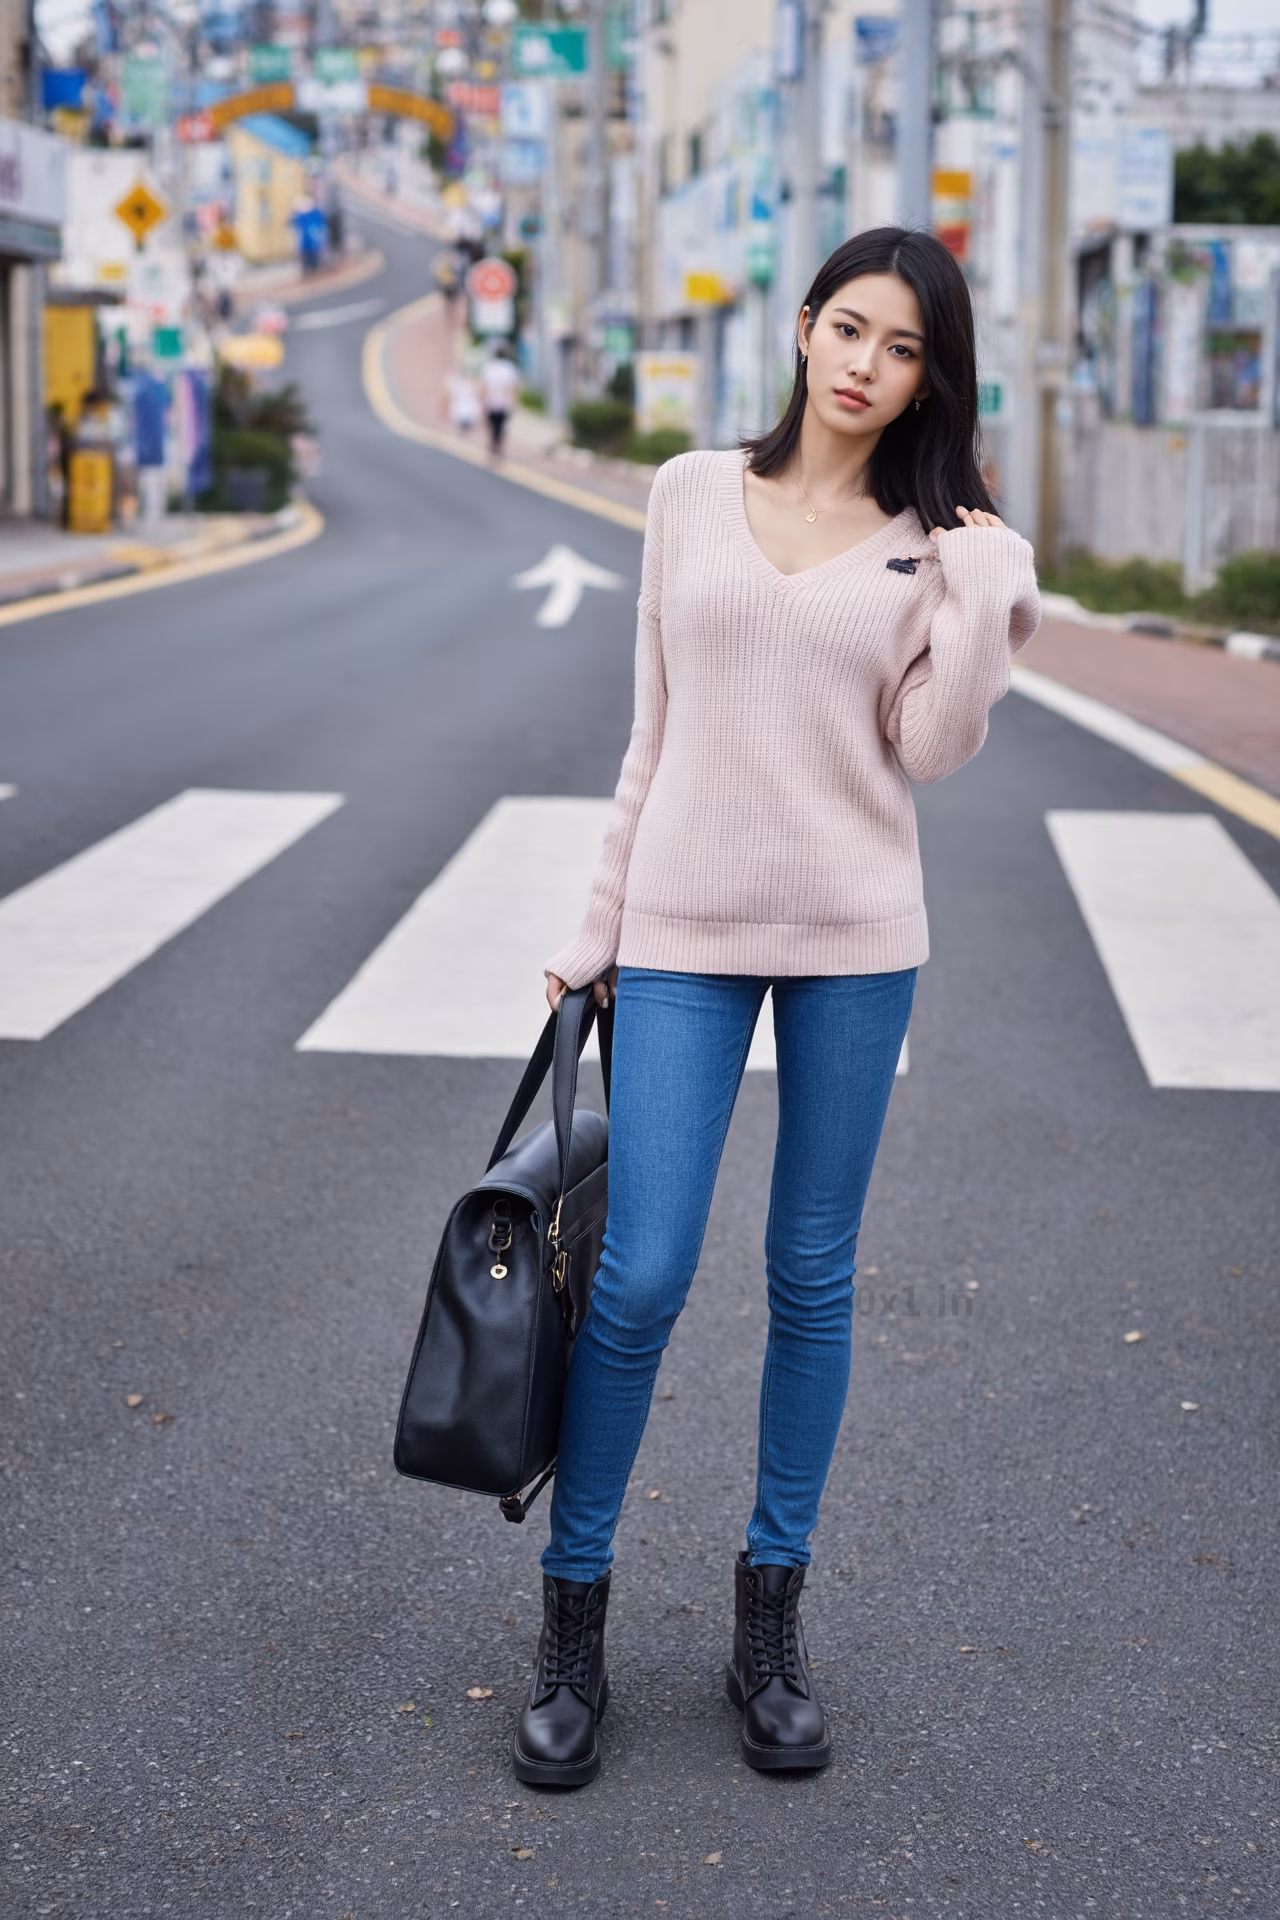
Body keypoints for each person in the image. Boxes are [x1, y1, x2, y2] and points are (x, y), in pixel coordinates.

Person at [513, 227, 1040, 1789]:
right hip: (681, 927)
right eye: (850, 329)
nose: (868, 366)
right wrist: (596, 930)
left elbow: (930, 749)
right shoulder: (686, 494)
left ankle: (768, 1627)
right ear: (804, 329)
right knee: (640, 1277)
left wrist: (985, 587)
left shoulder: (927, 542)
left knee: (813, 1276)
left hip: (858, 936)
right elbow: (649, 733)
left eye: (905, 350)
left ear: (930, 378)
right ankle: (573, 1625)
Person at [480, 346, 520, 456]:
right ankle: (498, 444)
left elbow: (484, 385)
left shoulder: (489, 367)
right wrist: (514, 402)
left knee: (492, 424)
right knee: (501, 425)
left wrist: (482, 399)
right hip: (504, 402)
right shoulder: (509, 368)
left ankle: (493, 442)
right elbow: (513, 387)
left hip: (491, 401)